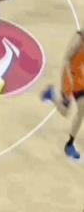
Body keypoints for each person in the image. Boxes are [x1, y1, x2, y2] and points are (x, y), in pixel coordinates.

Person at [42, 29, 84, 160]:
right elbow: (66, 60)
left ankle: (69, 144)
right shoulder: (78, 40)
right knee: (65, 112)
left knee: (82, 108)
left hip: (80, 74)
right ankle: (52, 94)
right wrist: (70, 81)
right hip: (69, 74)